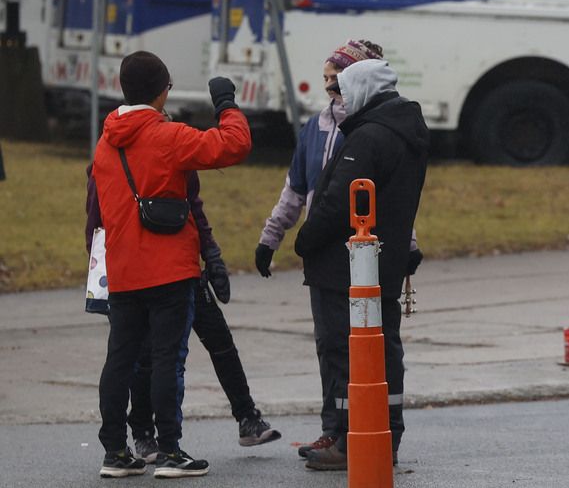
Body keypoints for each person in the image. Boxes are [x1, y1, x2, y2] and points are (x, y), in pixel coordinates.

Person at [90, 51, 251, 479]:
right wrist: (226, 104)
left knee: (119, 361)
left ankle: (114, 453)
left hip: (122, 272)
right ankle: (168, 451)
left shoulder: (106, 144)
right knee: (166, 359)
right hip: (169, 269)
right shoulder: (168, 135)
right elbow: (233, 145)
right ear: (162, 92)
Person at [254, 39, 392, 460]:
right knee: (329, 345)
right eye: (327, 83)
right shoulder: (314, 129)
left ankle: (366, 432)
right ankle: (334, 430)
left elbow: (396, 196)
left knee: (364, 347)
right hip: (322, 253)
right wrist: (270, 238)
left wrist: (409, 243)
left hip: (364, 255)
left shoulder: (371, 132)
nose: (331, 92)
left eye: (339, 83)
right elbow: (294, 191)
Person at [85, 169, 280, 464]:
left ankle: (247, 416)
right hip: (137, 277)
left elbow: (192, 208)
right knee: (146, 358)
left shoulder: (171, 151)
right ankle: (145, 436)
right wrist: (105, 272)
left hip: (181, 268)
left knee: (217, 340)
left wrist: (210, 253)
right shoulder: (108, 160)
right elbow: (96, 225)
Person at [293, 58, 429, 471]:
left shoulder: (369, 137)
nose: (342, 101)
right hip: (384, 266)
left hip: (346, 265)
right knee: (383, 351)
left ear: (365, 90)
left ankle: (349, 438)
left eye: (346, 91)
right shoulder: (406, 131)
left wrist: (304, 241)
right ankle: (384, 435)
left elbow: (339, 200)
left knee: (343, 352)